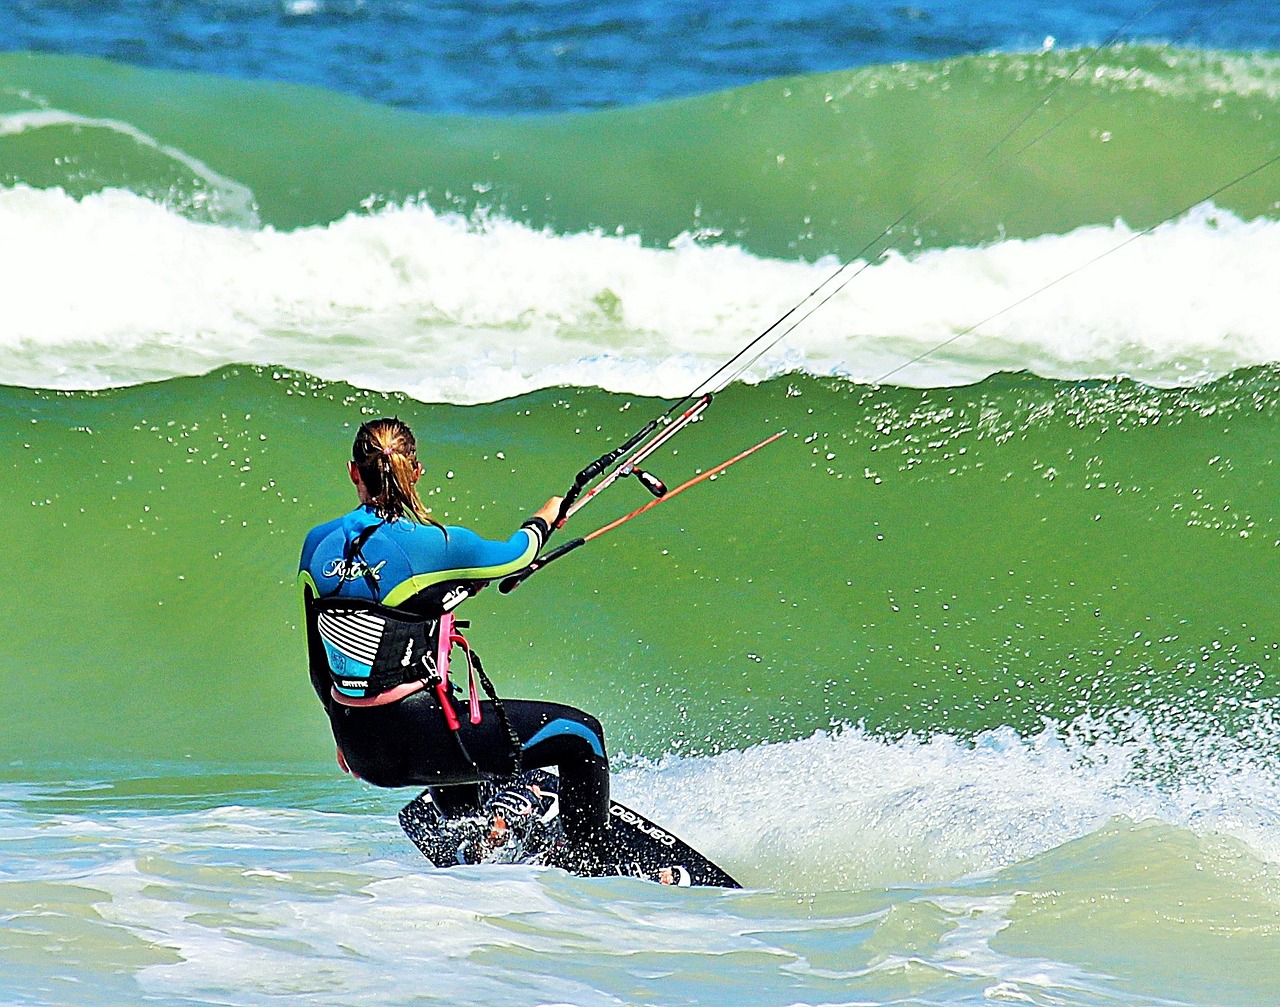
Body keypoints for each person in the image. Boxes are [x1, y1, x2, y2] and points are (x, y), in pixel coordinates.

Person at [298, 417, 612, 862]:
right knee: (583, 736)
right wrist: (547, 515)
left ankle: (482, 828)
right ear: (416, 470)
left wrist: (343, 729)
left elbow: (318, 664)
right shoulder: (438, 544)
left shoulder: (317, 544)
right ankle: (590, 862)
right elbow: (519, 552)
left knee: (453, 720)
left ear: (354, 472)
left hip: (362, 749)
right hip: (420, 742)